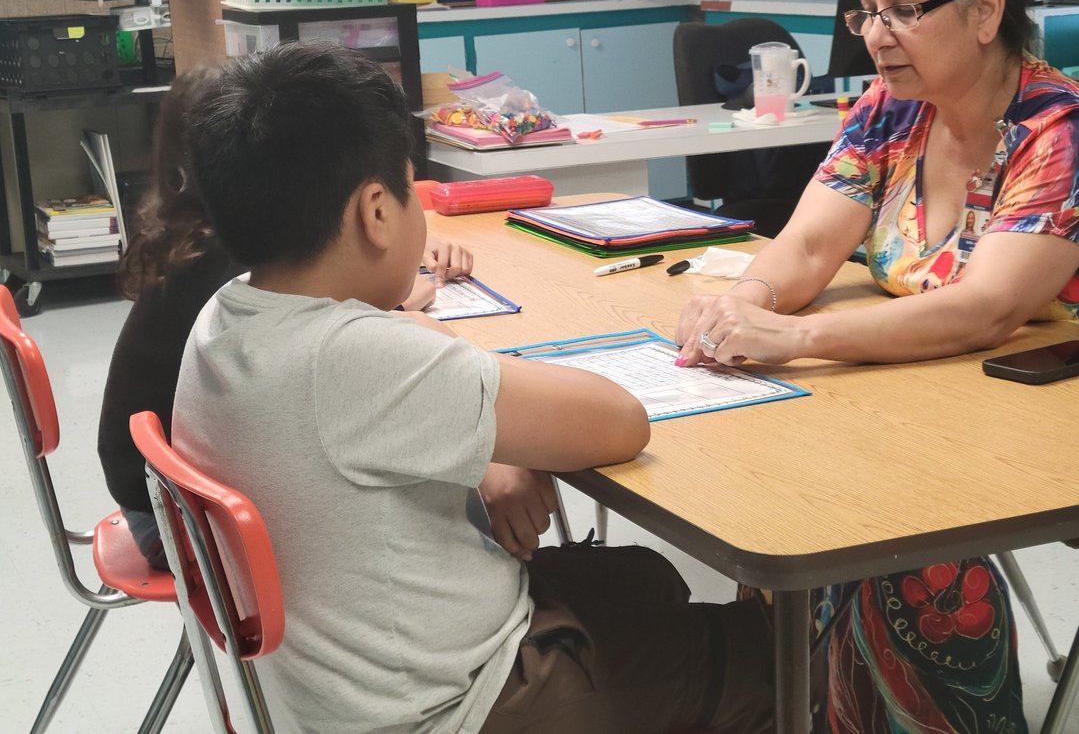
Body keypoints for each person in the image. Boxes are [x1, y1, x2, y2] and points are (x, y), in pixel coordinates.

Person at [172, 41, 774, 733]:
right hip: (460, 706)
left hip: (345, 684)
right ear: (376, 212)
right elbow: (620, 421)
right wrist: (449, 367)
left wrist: (478, 432)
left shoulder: (226, 313)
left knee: (645, 577)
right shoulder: (354, 357)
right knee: (774, 654)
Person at [677, 0, 1079, 733]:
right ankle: (794, 706)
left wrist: (794, 336)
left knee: (882, 534)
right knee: (788, 484)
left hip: (1076, 427)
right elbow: (806, 249)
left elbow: (986, 310)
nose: (875, 33)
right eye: (867, 10)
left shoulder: (1069, 129)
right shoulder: (890, 108)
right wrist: (741, 302)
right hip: (943, 397)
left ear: (985, 10)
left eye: (904, 10)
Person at [97, 67, 474, 570]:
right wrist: (403, 306)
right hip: (182, 522)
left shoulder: (200, 235)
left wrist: (407, 239)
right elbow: (307, 341)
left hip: (171, 495)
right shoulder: (229, 267)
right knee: (437, 498)